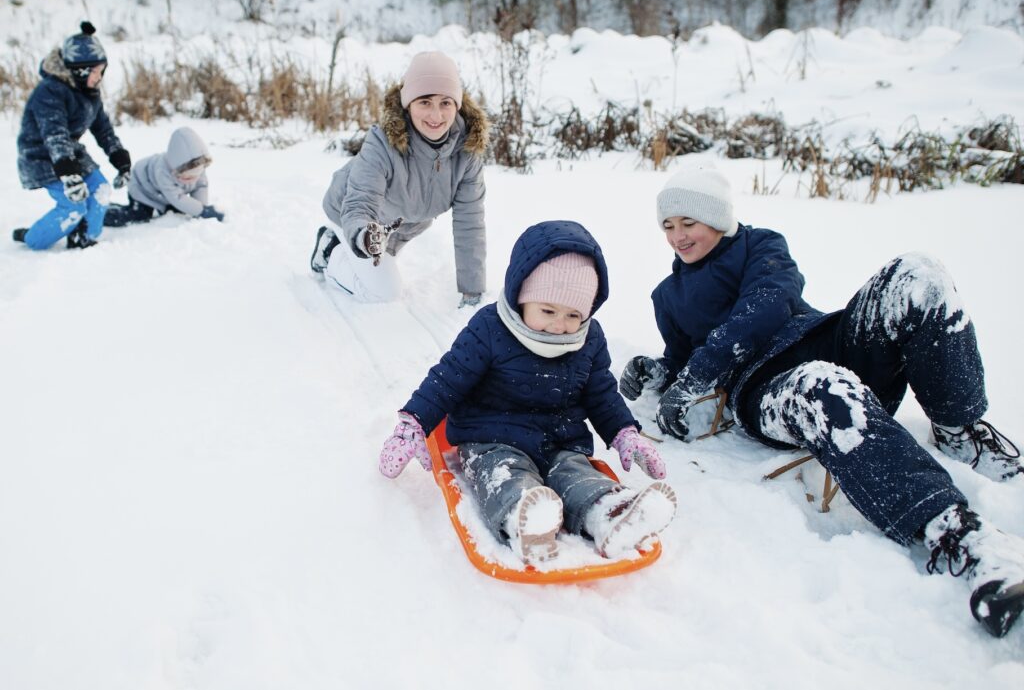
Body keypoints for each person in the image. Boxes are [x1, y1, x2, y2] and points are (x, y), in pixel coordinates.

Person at [620, 165, 1024, 637]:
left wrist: (696, 373)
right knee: (820, 385)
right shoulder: (668, 296)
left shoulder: (760, 246)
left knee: (918, 273)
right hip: (767, 390)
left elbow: (769, 304)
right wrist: (661, 371)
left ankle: (959, 429)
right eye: (668, 226)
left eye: (689, 222)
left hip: (829, 340)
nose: (677, 236)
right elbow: (682, 356)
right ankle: (956, 535)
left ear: (719, 219)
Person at [377, 220, 677, 564]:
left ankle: (610, 514)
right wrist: (412, 425)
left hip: (559, 441)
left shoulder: (589, 339)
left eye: (573, 315)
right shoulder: (490, 328)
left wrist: (625, 433)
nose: (559, 325)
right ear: (521, 296)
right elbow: (448, 378)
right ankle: (524, 520)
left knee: (576, 474)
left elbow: (601, 393)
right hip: (491, 438)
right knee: (503, 474)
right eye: (547, 311)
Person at [309, 51, 488, 306]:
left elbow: (469, 223)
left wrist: (473, 291)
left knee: (381, 270)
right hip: (352, 216)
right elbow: (359, 202)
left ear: (457, 105)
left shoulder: (467, 151)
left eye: (445, 103)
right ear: (408, 103)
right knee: (383, 291)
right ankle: (329, 252)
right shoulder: (383, 143)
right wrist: (363, 237)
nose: (436, 115)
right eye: (424, 102)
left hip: (400, 225)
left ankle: (355, 251)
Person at [12, 22, 131, 250]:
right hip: (41, 156)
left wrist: (120, 159)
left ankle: (84, 238)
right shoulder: (50, 91)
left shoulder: (88, 92)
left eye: (102, 70)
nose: (100, 77)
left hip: (69, 153)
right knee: (74, 206)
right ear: (80, 70)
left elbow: (103, 128)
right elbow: (54, 134)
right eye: (95, 71)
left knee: (100, 189)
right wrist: (69, 174)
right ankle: (32, 238)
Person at [104, 127, 224, 227]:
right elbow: (177, 198)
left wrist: (202, 207)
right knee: (140, 215)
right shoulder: (163, 172)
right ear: (176, 169)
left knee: (179, 210)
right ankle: (103, 213)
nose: (191, 181)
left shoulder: (198, 167)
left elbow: (201, 186)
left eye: (195, 177)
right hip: (141, 187)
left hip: (162, 193)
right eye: (187, 178)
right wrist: (201, 211)